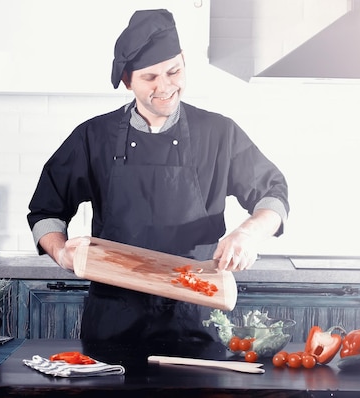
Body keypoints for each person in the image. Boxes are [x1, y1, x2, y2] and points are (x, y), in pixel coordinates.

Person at [27, 9, 289, 350]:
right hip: (114, 319)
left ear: (184, 62)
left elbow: (274, 193)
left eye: (173, 71)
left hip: (196, 316)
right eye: (150, 78)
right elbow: (45, 210)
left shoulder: (218, 133)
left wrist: (248, 234)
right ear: (127, 80)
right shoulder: (93, 136)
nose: (165, 87)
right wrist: (61, 253)